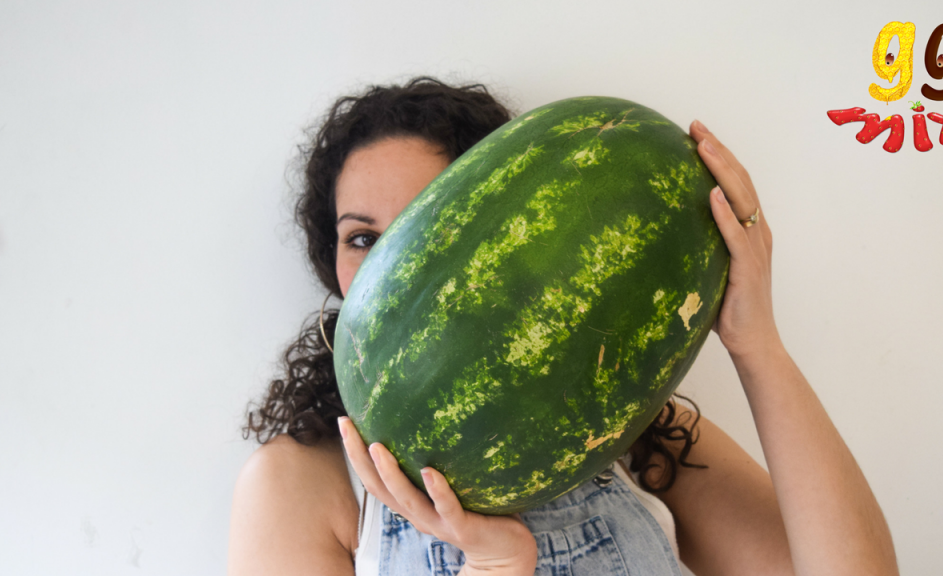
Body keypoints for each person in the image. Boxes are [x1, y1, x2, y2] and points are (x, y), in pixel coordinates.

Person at [227, 76, 899, 576]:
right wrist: (496, 568)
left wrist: (758, 346)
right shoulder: (301, 482)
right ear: (330, 261)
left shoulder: (641, 436)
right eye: (365, 241)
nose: (403, 274)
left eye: (423, 228)